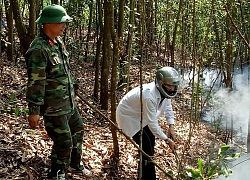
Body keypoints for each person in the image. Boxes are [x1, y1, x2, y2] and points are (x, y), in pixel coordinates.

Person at [25, 4, 92, 179]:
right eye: (61, 23)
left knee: (78, 131)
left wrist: (73, 86)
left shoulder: (57, 42)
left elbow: (63, 70)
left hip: (68, 101)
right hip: (53, 107)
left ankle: (75, 165)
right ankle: (57, 173)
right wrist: (34, 111)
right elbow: (36, 82)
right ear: (48, 23)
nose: (64, 26)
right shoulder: (39, 49)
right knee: (64, 142)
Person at [116, 66, 181, 180]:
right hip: (129, 117)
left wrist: (171, 126)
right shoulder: (149, 95)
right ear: (161, 82)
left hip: (141, 116)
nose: (171, 88)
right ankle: (148, 177)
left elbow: (168, 108)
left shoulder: (165, 92)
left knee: (150, 144)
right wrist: (167, 139)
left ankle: (146, 174)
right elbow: (152, 123)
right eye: (169, 85)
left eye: (173, 86)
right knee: (146, 149)